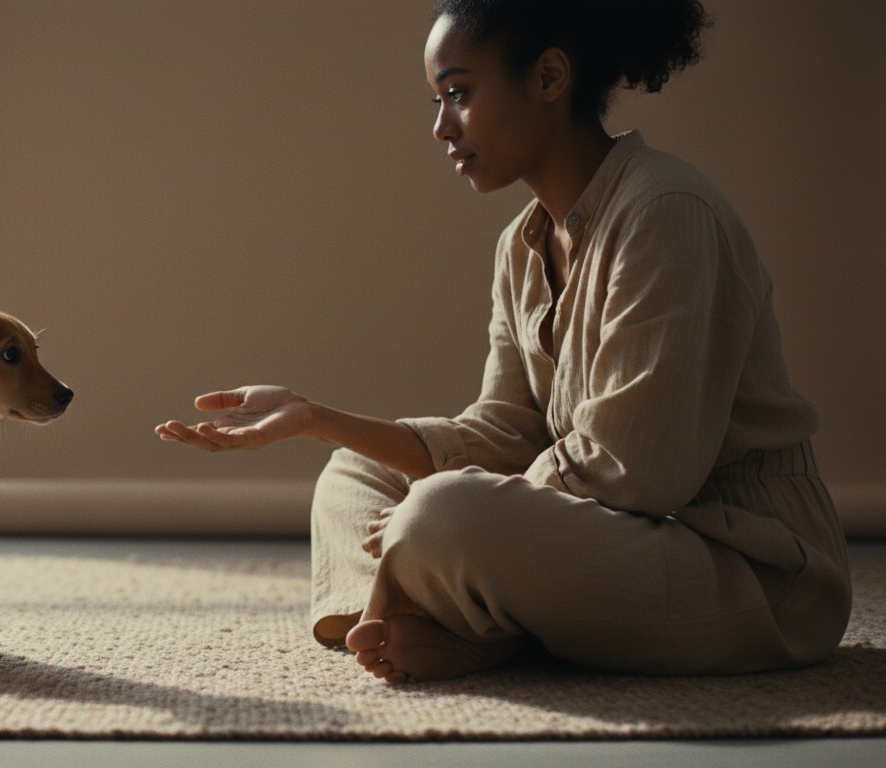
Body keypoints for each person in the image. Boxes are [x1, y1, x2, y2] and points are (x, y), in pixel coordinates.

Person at [155, 0, 851, 683]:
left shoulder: (667, 211)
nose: (439, 127)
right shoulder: (521, 246)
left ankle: (461, 622)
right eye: (435, 100)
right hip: (609, 537)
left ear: (549, 78)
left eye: (457, 93)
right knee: (352, 476)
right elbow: (507, 430)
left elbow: (638, 471)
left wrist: (455, 504)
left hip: (738, 564)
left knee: (440, 512)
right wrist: (314, 417)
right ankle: (450, 616)